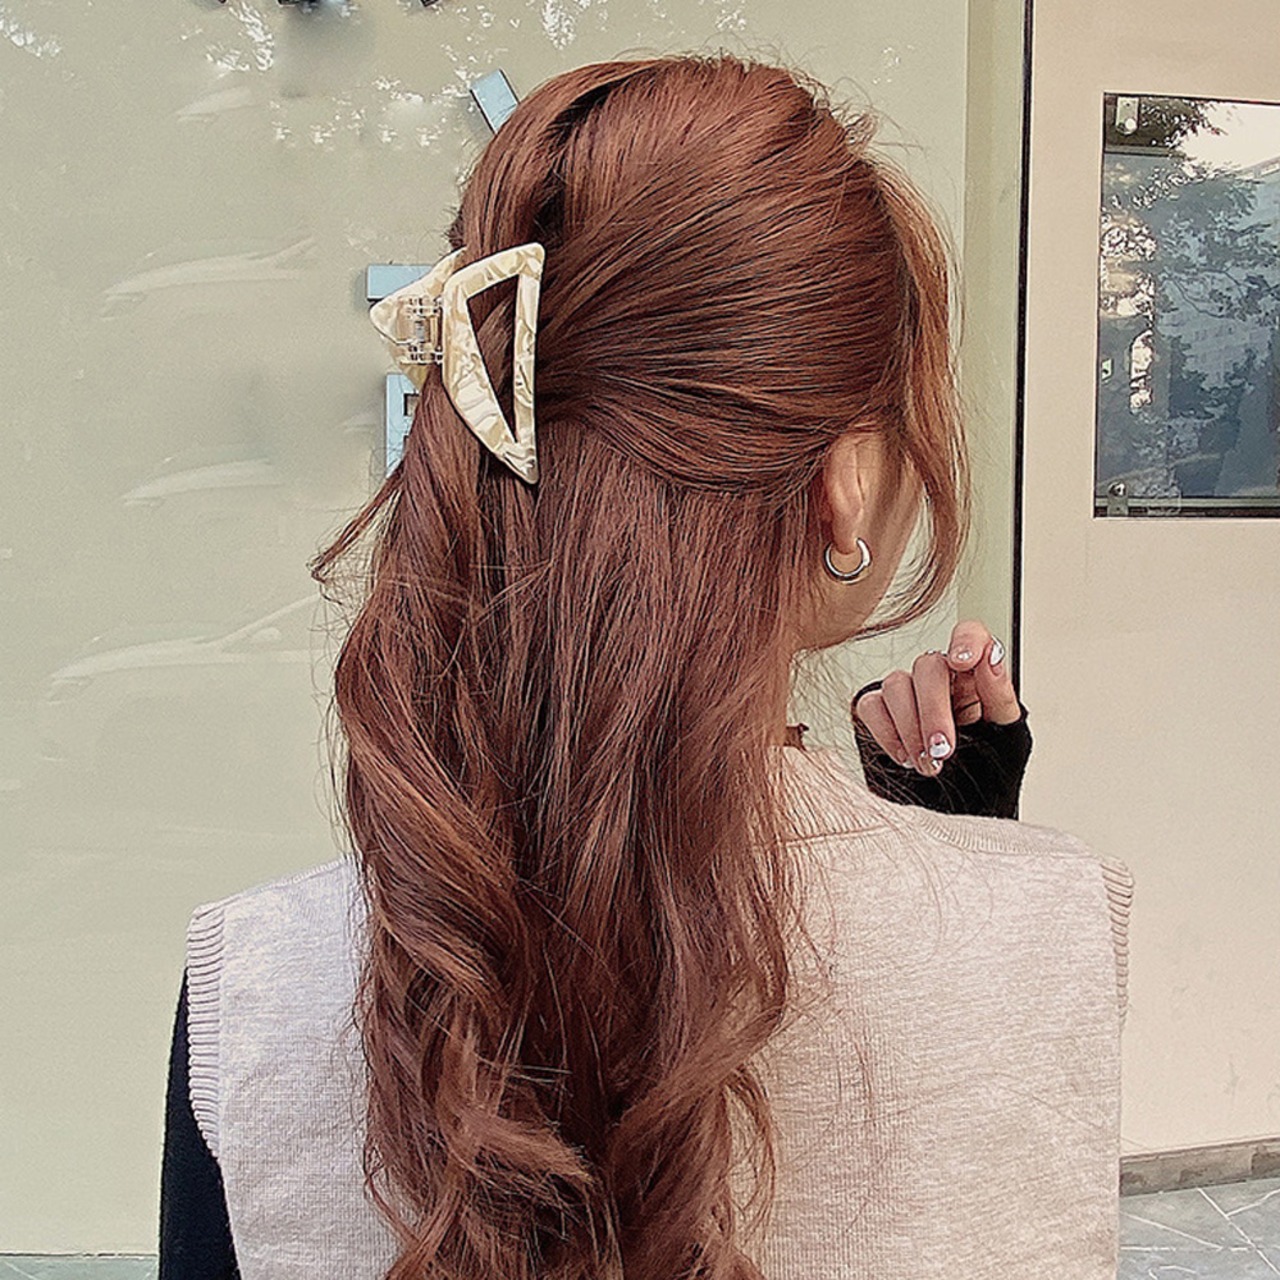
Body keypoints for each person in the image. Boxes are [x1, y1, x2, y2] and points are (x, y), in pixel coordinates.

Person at [159, 52, 1131, 1280]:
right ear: (842, 487)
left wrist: (940, 833)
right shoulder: (1054, 924)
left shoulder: (254, 983)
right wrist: (959, 853)